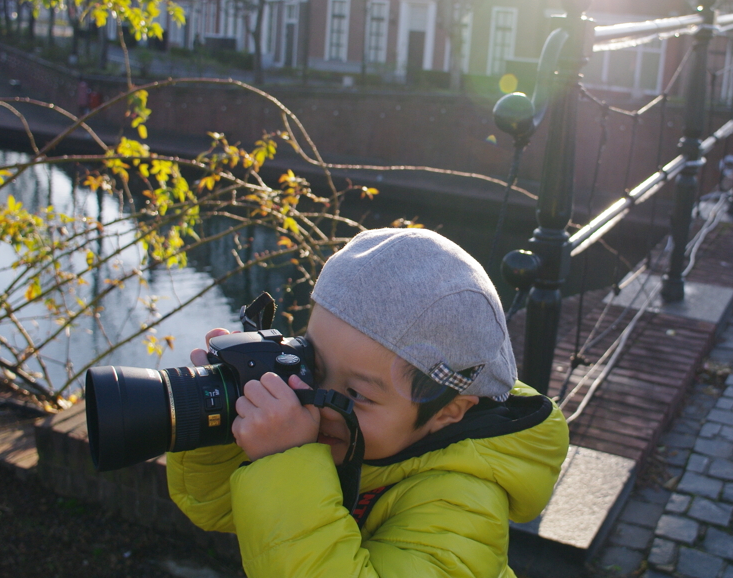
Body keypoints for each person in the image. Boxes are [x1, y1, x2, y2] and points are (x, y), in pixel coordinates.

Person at [168, 228, 569, 578]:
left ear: (448, 412)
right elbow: (216, 507)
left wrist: (283, 461)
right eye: (314, 365)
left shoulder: (461, 508)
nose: (321, 403)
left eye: (357, 395)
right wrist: (224, 407)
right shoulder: (358, 443)